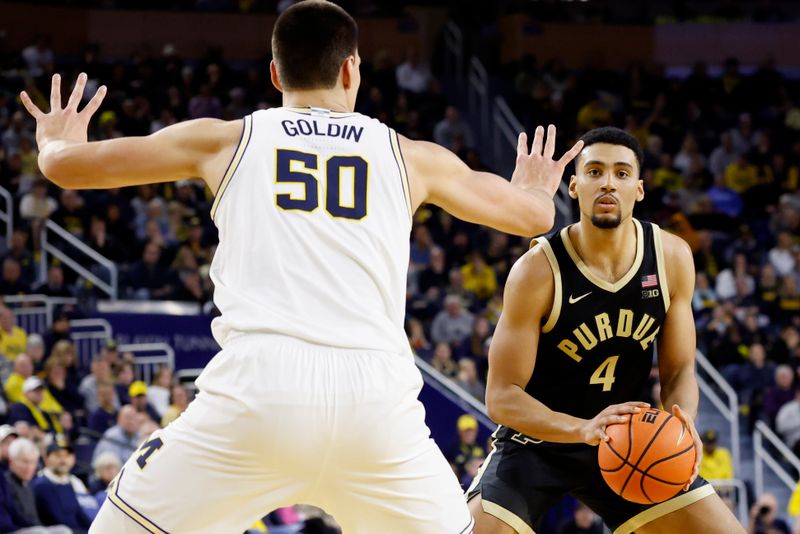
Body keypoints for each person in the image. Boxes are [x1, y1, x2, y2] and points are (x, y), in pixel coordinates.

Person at [22, 2, 583, 532]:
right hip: (377, 403)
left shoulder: (225, 139)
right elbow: (531, 216)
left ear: (274, 74)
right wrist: (534, 186)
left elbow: (69, 170)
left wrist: (55, 140)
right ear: (350, 71)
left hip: (260, 391)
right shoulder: (410, 155)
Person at [468, 127, 743, 533]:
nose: (608, 182)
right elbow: (501, 397)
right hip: (537, 442)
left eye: (621, 173)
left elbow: (680, 369)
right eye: (595, 172)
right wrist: (582, 429)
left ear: (640, 188)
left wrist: (681, 422)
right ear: (574, 187)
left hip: (630, 441)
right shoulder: (537, 271)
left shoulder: (671, 257)